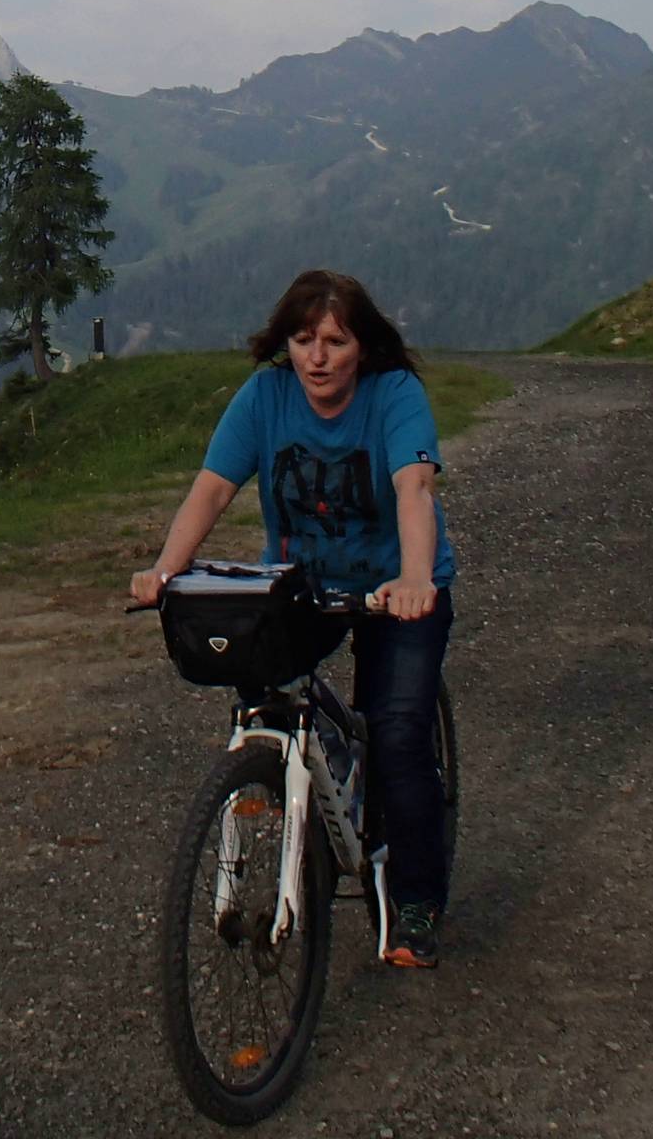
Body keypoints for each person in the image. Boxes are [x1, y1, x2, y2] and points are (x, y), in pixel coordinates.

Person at [129, 268, 456, 968]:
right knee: (264, 701)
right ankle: (312, 778)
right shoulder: (266, 396)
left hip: (393, 590)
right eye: (304, 340)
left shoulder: (394, 396)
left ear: (361, 348)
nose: (317, 357)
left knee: (398, 733)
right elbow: (213, 489)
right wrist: (164, 570)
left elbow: (414, 489)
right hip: (299, 588)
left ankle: (418, 901)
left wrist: (415, 578)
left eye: (334, 342)